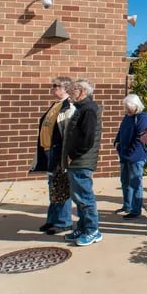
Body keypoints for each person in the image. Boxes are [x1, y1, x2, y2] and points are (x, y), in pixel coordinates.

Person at [62, 79, 103, 247]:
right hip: (77, 162)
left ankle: (93, 230)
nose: (70, 94)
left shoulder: (89, 110)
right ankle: (83, 226)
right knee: (78, 198)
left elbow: (87, 138)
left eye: (73, 91)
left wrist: (73, 155)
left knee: (85, 197)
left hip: (81, 161)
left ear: (82, 92)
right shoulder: (82, 109)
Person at [36, 76, 74, 235]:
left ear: (66, 89)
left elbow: (68, 132)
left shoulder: (68, 107)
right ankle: (52, 219)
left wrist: (67, 155)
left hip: (59, 152)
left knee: (61, 186)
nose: (53, 88)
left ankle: (64, 221)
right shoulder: (55, 105)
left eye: (56, 86)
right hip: (48, 150)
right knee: (52, 186)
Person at [113, 94, 147, 219]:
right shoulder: (127, 117)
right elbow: (121, 131)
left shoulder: (141, 118)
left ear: (136, 107)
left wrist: (130, 152)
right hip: (124, 154)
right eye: (126, 107)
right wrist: (117, 143)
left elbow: (140, 137)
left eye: (129, 108)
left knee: (135, 182)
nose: (127, 110)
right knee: (125, 181)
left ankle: (136, 209)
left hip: (136, 156)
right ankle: (127, 205)